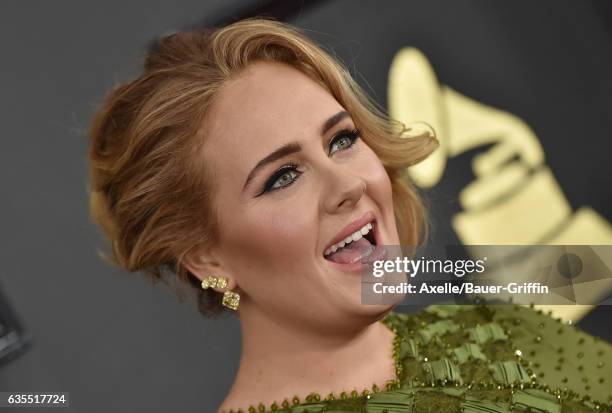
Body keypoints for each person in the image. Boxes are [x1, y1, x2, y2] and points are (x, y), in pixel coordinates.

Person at [87, 17, 611, 413]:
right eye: (282, 176)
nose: (348, 184)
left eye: (341, 140)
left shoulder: (497, 337)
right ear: (207, 257)